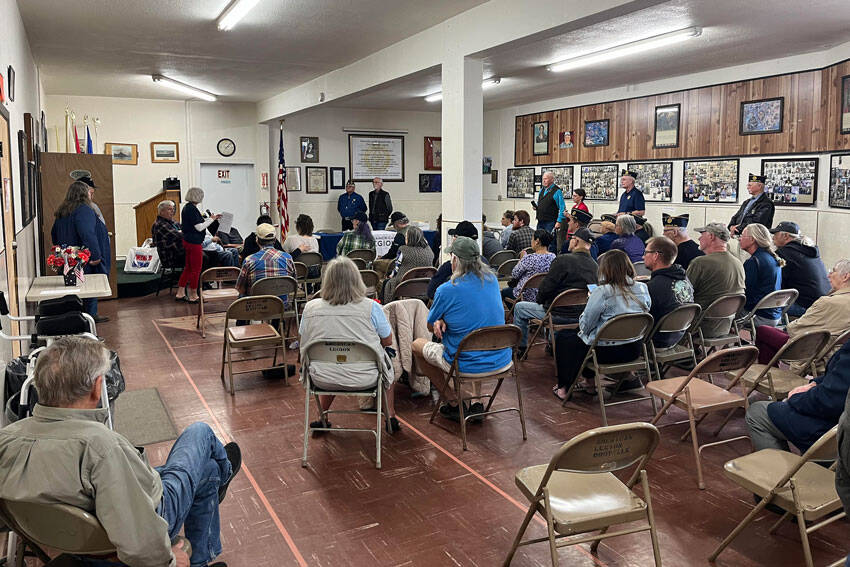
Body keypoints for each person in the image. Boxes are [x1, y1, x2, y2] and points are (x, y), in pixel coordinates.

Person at [0, 336, 241, 567]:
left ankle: (211, 488)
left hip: (67, 532)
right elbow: (138, 538)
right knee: (200, 433)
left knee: (206, 471)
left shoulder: (6, 439)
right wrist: (167, 560)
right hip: (147, 515)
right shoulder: (101, 447)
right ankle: (223, 473)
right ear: (97, 387)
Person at [412, 236, 512, 420]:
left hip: (465, 363)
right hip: (500, 359)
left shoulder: (446, 289)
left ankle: (453, 402)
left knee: (417, 345)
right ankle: (476, 402)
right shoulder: (492, 280)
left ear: (455, 260)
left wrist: (441, 320)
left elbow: (428, 326)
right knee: (478, 334)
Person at [299, 256, 400, 433]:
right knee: (388, 361)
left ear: (327, 281)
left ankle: (321, 416)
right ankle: (390, 416)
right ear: (356, 280)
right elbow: (388, 341)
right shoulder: (371, 307)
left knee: (334, 359)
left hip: (322, 376)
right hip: (366, 375)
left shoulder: (310, 308)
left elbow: (304, 340)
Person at [552, 249, 651, 401]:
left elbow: (586, 326)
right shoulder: (643, 288)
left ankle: (565, 387)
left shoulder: (602, 292)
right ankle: (588, 382)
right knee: (581, 339)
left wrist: (591, 301)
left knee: (566, 338)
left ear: (604, 269)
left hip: (605, 351)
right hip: (633, 348)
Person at [746, 341, 850, 454]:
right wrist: (815, 383)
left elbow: (831, 400)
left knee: (757, 412)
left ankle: (785, 471)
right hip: (836, 414)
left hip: (835, 430)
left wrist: (796, 399)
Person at [514, 228, 598, 353]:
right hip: (581, 315)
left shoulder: (562, 260)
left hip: (557, 315)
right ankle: (551, 343)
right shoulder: (595, 265)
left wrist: (541, 301)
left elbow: (545, 289)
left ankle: (520, 349)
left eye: (571, 239)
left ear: (575, 242)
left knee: (520, 307)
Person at [755, 258, 850, 365]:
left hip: (811, 352)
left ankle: (767, 374)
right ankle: (770, 374)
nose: (829, 275)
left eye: (833, 271)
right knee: (770, 337)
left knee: (763, 330)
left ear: (845, 276)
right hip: (836, 354)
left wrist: (789, 327)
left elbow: (794, 329)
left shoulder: (828, 302)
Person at [51, 181, 111, 322]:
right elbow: (87, 233)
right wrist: (96, 255)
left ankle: (75, 320)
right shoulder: (83, 210)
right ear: (85, 194)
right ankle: (88, 321)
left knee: (72, 291)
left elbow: (54, 234)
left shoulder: (62, 211)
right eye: (89, 192)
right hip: (83, 258)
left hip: (67, 257)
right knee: (88, 289)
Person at [686, 223, 746, 337]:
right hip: (726, 324)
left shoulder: (700, 262)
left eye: (702, 234)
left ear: (711, 236)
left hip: (699, 325)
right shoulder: (738, 262)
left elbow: (684, 295)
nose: (699, 238)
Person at [770, 221, 830, 317]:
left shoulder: (785, 253)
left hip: (806, 308)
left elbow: (778, 284)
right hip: (823, 305)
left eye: (776, 234)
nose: (773, 238)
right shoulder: (810, 250)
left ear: (785, 236)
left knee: (761, 306)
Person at [643, 236, 695, 348]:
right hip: (679, 336)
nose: (643, 256)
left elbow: (643, 320)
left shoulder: (653, 287)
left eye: (646, 252)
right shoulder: (685, 279)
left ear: (655, 255)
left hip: (656, 341)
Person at [177, 187, 221, 303]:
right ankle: (193, 295)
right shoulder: (191, 209)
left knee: (188, 268)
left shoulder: (188, 208)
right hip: (193, 242)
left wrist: (212, 219)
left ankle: (180, 293)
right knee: (196, 269)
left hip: (188, 241)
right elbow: (199, 227)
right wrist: (211, 220)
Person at [427, 221, 487, 299]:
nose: (453, 238)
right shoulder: (485, 264)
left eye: (454, 236)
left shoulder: (449, 267)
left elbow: (431, 292)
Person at [739, 223, 784, 327]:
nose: (739, 239)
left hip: (758, 316)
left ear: (752, 239)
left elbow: (745, 294)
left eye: (742, 235)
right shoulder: (773, 258)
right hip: (774, 315)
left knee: (718, 314)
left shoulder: (754, 261)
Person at [235, 223, 295, 299]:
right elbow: (293, 283)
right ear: (275, 240)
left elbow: (240, 289)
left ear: (257, 240)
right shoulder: (288, 258)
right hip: (281, 305)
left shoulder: (249, 260)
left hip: (255, 306)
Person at [382, 226, 434, 303]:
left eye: (406, 236)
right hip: (424, 284)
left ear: (410, 238)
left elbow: (397, 268)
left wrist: (391, 275)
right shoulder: (428, 250)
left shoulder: (403, 250)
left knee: (386, 283)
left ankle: (385, 306)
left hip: (405, 284)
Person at [501, 229, 555, 303]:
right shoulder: (553, 257)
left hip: (526, 296)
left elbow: (515, 274)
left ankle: (517, 313)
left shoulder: (529, 258)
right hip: (544, 296)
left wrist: (521, 259)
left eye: (532, 239)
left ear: (537, 241)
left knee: (504, 292)